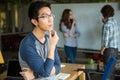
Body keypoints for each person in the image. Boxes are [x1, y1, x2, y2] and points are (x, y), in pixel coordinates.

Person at [18, 1, 61, 80]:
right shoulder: (28, 44)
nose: (50, 19)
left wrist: (35, 74)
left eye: (50, 15)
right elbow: (45, 72)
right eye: (44, 16)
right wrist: (52, 47)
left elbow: (58, 66)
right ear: (35, 21)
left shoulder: (49, 39)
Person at [100, 4, 119, 80]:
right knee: (112, 71)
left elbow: (106, 39)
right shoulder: (114, 21)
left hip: (109, 51)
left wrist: (102, 49)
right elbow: (111, 33)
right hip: (115, 50)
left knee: (107, 72)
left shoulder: (107, 24)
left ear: (104, 14)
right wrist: (104, 22)